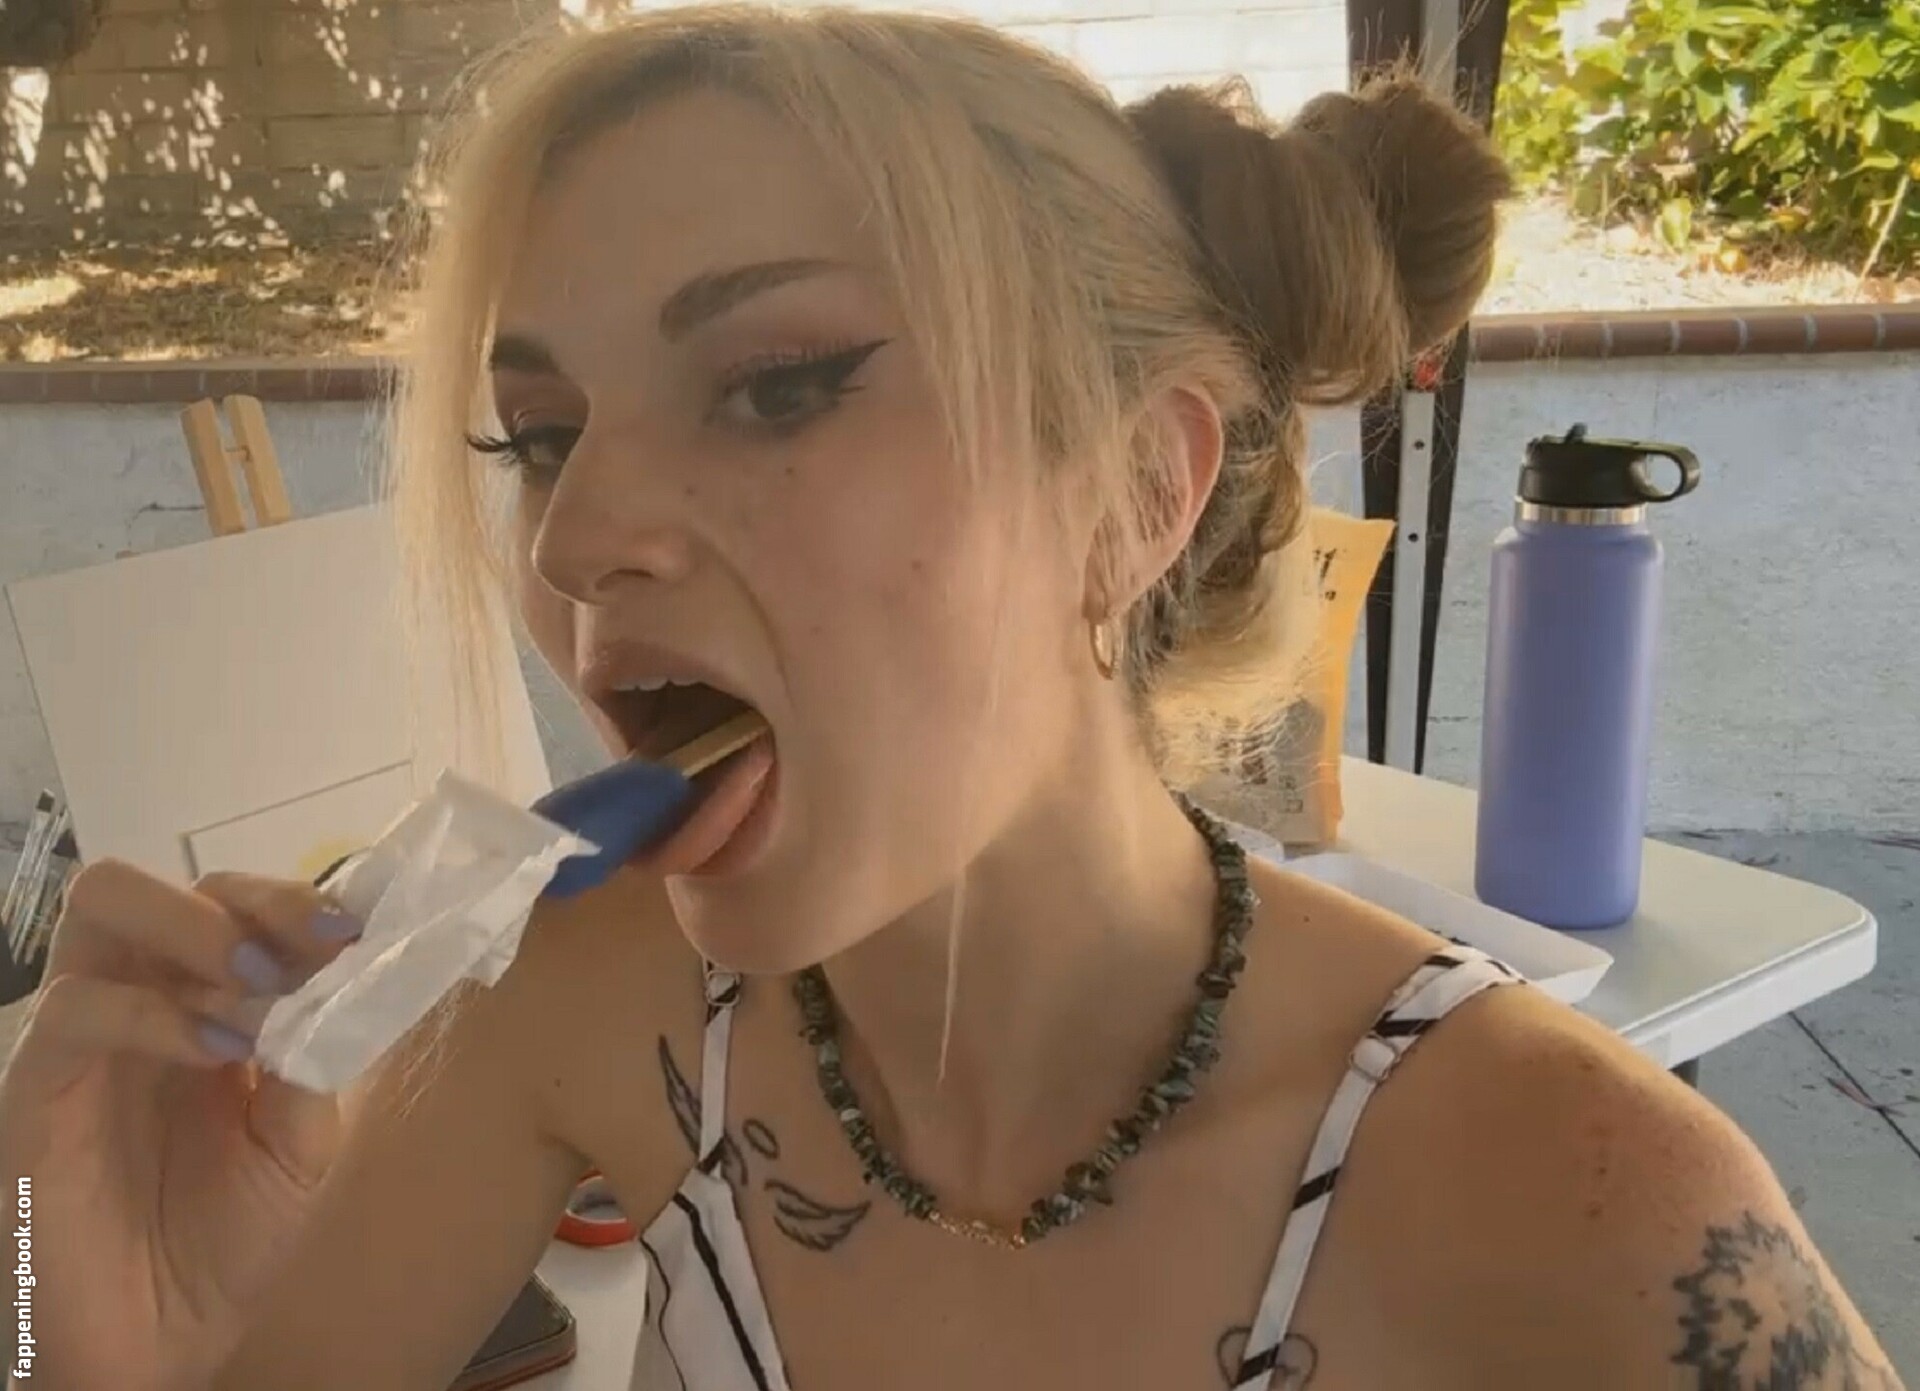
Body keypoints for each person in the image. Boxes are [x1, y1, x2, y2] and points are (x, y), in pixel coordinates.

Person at [0, 8, 1902, 1390]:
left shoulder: (1593, 1210)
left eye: (777, 386)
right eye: (541, 434)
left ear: (1137, 491)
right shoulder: (567, 1004)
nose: (574, 542)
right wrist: (58, 1321)